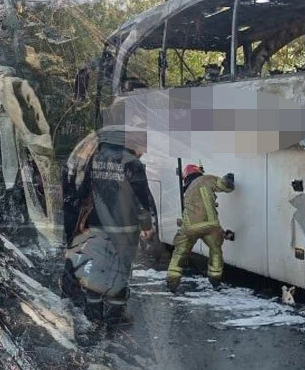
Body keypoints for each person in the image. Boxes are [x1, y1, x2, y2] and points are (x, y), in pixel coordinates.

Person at [61, 127, 157, 325]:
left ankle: (93, 313)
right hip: (124, 229)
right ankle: (115, 315)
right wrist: (147, 226)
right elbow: (141, 199)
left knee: (97, 269)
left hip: (96, 225)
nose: (143, 152)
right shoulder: (132, 164)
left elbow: (82, 189)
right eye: (142, 147)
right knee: (119, 272)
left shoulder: (96, 159)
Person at [166, 165, 235, 293]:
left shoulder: (186, 190)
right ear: (198, 172)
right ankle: (215, 281)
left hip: (189, 228)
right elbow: (225, 186)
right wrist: (229, 178)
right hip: (210, 226)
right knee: (216, 251)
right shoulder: (207, 179)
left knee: (180, 253)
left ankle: (172, 282)